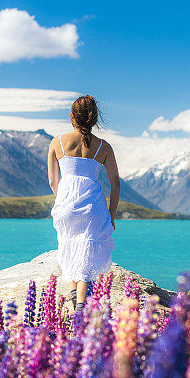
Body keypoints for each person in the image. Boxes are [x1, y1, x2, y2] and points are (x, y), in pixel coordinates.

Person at [47, 95, 120, 312]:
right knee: (87, 250)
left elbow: (53, 181)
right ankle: (80, 305)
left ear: (72, 116)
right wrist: (111, 215)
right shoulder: (104, 147)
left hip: (66, 202)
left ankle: (73, 293)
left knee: (68, 243)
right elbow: (115, 184)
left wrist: (64, 200)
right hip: (93, 205)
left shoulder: (57, 142)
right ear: (94, 118)